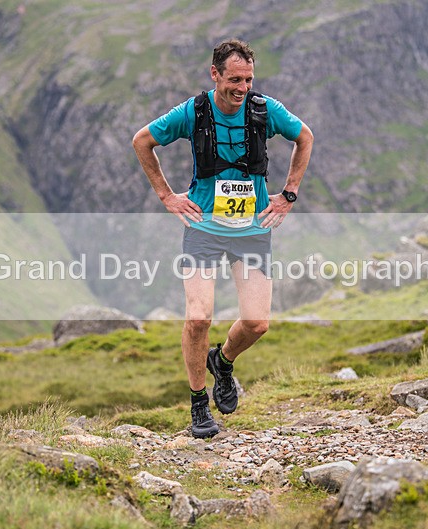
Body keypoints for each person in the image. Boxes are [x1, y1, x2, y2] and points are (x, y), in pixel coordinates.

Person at [132, 38, 313, 438]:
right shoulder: (193, 112)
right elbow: (142, 141)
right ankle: (199, 405)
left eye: (248, 79)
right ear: (214, 74)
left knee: (257, 323)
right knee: (198, 317)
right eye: (234, 79)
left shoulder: (266, 111)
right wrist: (166, 195)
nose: (242, 87)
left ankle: (223, 361)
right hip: (204, 228)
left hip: (252, 230)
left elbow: (305, 138)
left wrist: (288, 195)